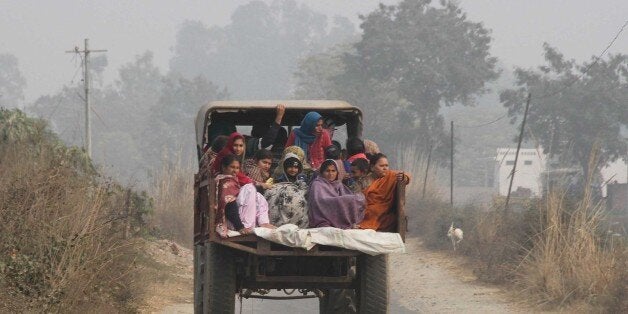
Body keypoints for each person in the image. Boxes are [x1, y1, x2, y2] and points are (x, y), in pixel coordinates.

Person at [215, 154, 275, 237]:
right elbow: (230, 207)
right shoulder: (227, 183)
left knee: (258, 196)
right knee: (249, 188)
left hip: (236, 220)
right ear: (224, 167)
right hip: (232, 223)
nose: (235, 171)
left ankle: (263, 223)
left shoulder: (229, 180)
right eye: (232, 167)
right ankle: (248, 226)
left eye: (237, 168)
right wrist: (240, 227)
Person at [308, 160, 365, 229]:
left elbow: (346, 194)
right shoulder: (317, 184)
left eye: (333, 171)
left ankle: (349, 222)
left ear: (337, 172)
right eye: (327, 171)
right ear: (322, 172)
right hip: (323, 216)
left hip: (337, 213)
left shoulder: (338, 184)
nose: (330, 174)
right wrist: (344, 200)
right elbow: (321, 202)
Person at [360, 153, 410, 232]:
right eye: (381, 166)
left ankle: (366, 224)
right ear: (372, 167)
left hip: (381, 210)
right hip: (367, 207)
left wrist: (404, 177)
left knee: (373, 210)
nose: (385, 168)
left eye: (386, 165)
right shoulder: (366, 179)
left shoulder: (391, 175)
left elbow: (406, 176)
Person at [264, 153, 309, 228]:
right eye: (290, 167)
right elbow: (274, 194)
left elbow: (304, 192)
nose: (293, 170)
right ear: (285, 168)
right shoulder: (278, 179)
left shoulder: (302, 180)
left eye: (295, 167)